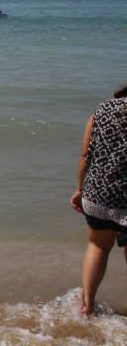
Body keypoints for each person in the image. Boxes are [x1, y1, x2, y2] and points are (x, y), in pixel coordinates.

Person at [70, 83, 127, 315]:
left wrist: (80, 190)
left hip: (98, 196)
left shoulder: (102, 110)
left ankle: (87, 306)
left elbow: (86, 155)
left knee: (98, 246)